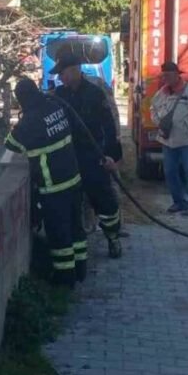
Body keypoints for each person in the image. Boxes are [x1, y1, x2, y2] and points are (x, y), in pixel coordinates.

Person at [5, 78, 87, 287]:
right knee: (76, 228)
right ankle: (80, 269)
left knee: (59, 235)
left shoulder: (30, 121)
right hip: (74, 178)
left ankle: (65, 279)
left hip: (54, 187)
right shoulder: (55, 107)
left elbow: (10, 145)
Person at [51, 54, 126, 259]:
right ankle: (80, 246)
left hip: (93, 157)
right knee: (73, 203)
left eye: (63, 73)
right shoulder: (59, 95)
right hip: (69, 158)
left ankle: (113, 237)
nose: (61, 78)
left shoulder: (94, 93)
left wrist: (111, 155)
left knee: (104, 200)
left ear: (75, 70)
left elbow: (109, 126)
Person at [151, 62, 188, 216]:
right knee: (170, 172)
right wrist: (159, 122)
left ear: (177, 74)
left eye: (169, 75)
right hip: (167, 140)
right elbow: (153, 109)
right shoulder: (162, 92)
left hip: (187, 141)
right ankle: (178, 202)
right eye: (164, 76)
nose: (166, 78)